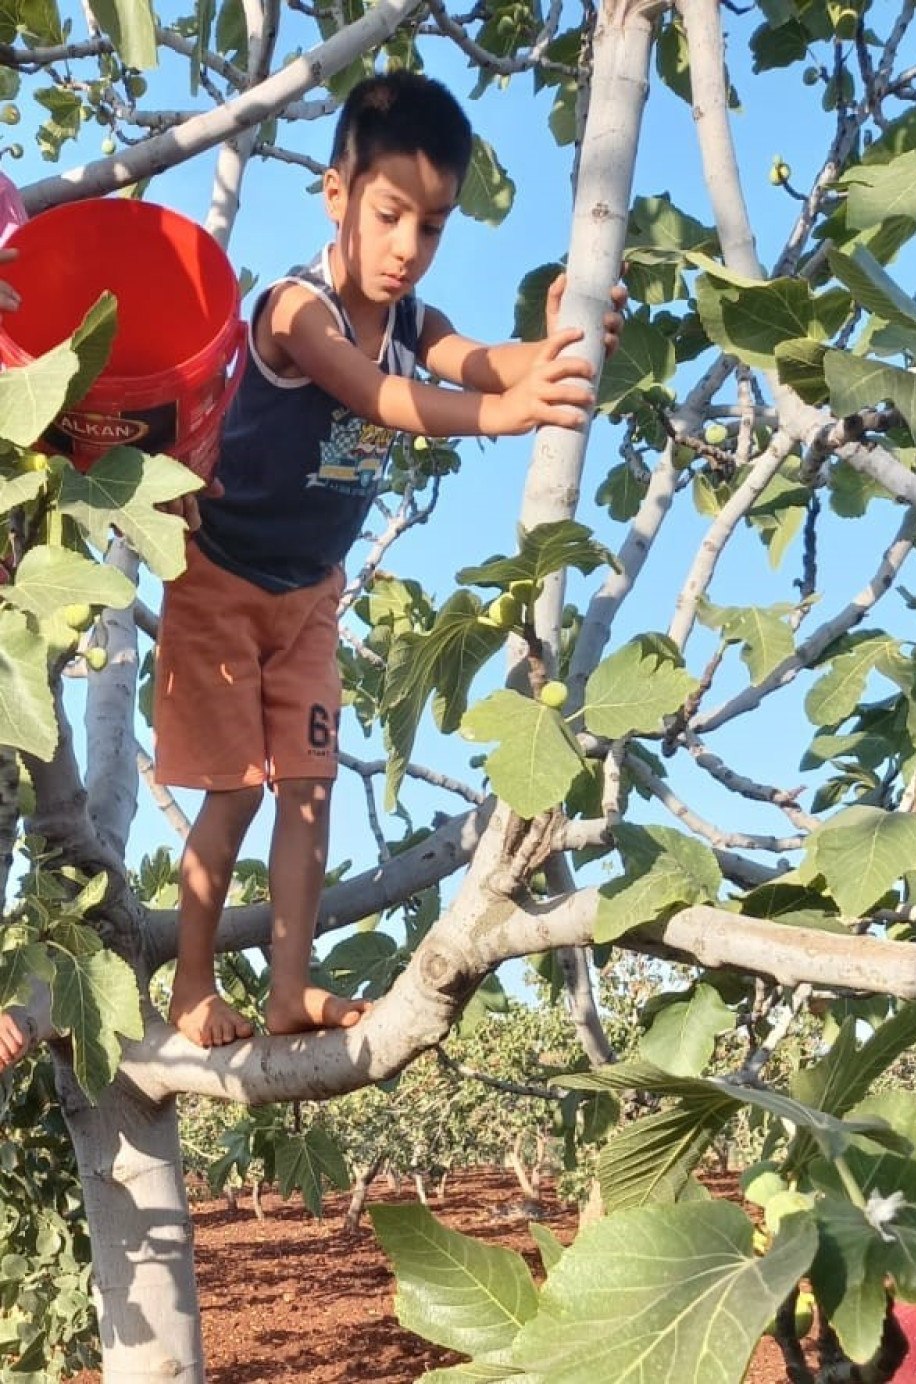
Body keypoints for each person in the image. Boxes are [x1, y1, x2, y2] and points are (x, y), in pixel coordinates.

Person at [154, 69, 625, 1049]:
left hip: (310, 595)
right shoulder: (296, 309)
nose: (409, 249)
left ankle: (288, 990)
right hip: (219, 579)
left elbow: (492, 363)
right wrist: (503, 414)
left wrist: (563, 340)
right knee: (237, 789)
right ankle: (192, 984)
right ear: (338, 197)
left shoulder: (418, 323)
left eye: (434, 226)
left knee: (310, 788)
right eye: (390, 215)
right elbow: (374, 397)